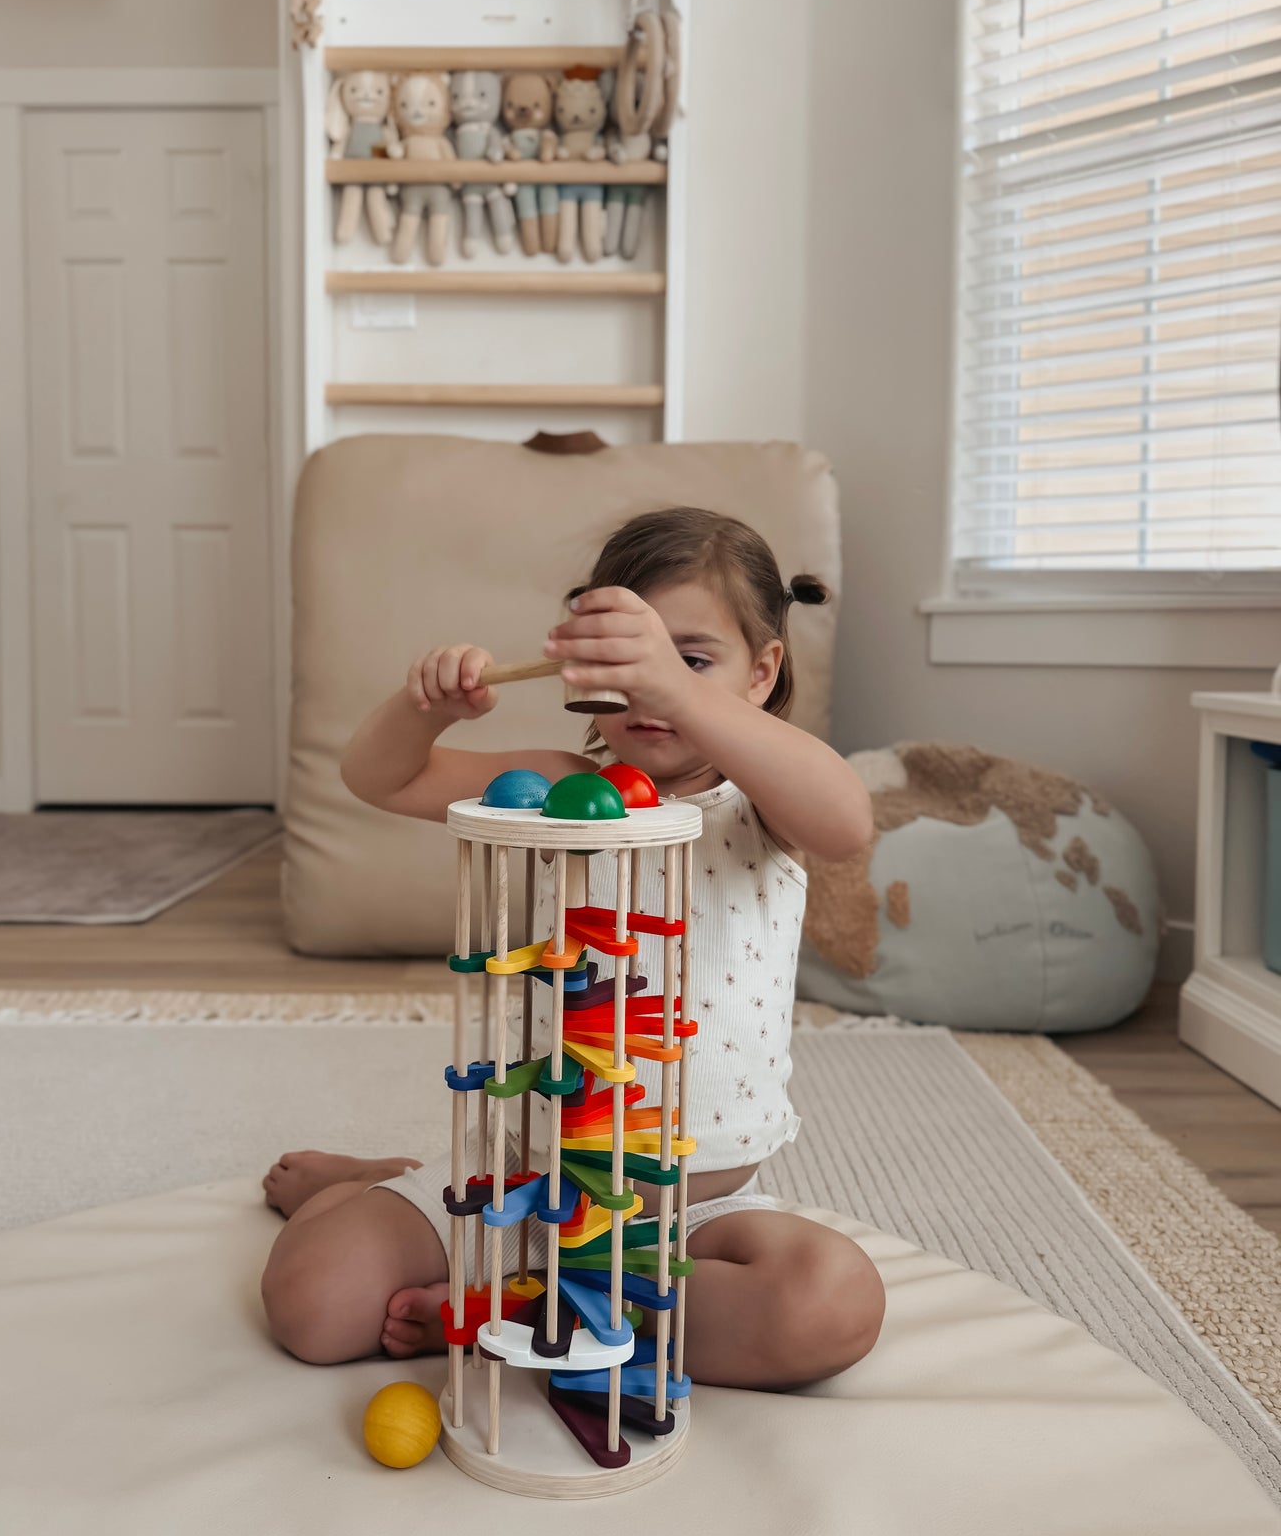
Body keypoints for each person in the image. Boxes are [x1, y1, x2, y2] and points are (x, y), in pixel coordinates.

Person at [261, 507, 885, 1391]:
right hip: (525, 1184)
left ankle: (518, 1303)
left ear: (762, 672)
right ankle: (388, 1192)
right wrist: (421, 707)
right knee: (312, 1307)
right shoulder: (562, 787)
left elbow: (847, 819)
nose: (653, 693)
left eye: (692, 659)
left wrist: (678, 691)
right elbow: (382, 777)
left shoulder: (765, 801)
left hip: (691, 1216)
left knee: (833, 1304)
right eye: (628, 667)